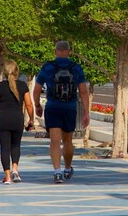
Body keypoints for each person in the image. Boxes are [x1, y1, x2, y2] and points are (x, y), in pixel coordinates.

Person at [34, 40, 90, 183]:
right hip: (69, 108)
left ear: (55, 51)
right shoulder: (76, 68)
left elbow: (36, 89)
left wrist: (37, 106)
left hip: (53, 107)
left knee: (54, 141)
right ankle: (67, 168)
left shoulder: (47, 67)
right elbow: (83, 92)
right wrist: (86, 113)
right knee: (68, 141)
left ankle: (57, 171)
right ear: (69, 52)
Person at [0, 60, 35, 184]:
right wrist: (31, 120)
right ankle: (15, 170)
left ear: (5, 72)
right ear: (17, 71)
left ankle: (7, 177)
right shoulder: (23, 86)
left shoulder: (0, 86)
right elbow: (29, 105)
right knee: (16, 145)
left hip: (2, 120)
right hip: (17, 119)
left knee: (5, 148)